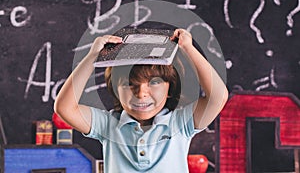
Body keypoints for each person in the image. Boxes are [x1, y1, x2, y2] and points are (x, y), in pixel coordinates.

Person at [54, 28, 228, 172]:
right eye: (130, 84)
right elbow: (65, 108)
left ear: (170, 88)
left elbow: (218, 96)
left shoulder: (180, 123)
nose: (141, 93)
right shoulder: (108, 125)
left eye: (154, 82)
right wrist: (93, 56)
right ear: (115, 90)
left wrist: (188, 48)